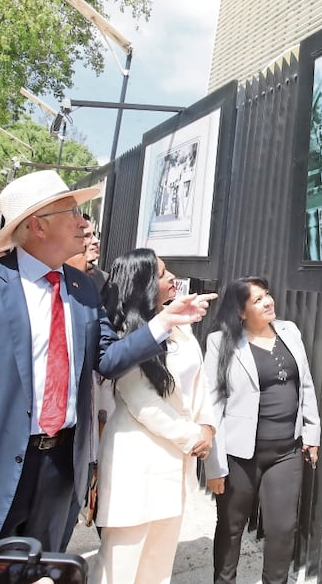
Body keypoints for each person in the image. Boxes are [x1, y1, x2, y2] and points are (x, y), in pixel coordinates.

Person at [0, 170, 216, 553]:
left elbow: (107, 359)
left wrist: (164, 322)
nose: (84, 222)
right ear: (37, 225)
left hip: (60, 470)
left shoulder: (82, 287)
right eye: (71, 211)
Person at [93, 249, 216, 584]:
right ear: (143, 283)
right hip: (137, 462)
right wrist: (193, 437)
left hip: (176, 463)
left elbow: (199, 380)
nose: (171, 277)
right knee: (120, 566)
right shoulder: (124, 335)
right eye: (162, 274)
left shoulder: (179, 324)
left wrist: (207, 425)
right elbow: (140, 400)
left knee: (157, 568)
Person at [203, 277, 321, 584]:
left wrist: (311, 433)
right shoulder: (221, 341)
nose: (267, 301)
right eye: (257, 300)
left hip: (286, 451)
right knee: (231, 526)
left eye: (266, 295)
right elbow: (212, 403)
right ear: (241, 312)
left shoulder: (289, 331)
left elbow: (305, 384)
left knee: (283, 528)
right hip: (240, 454)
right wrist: (214, 466)